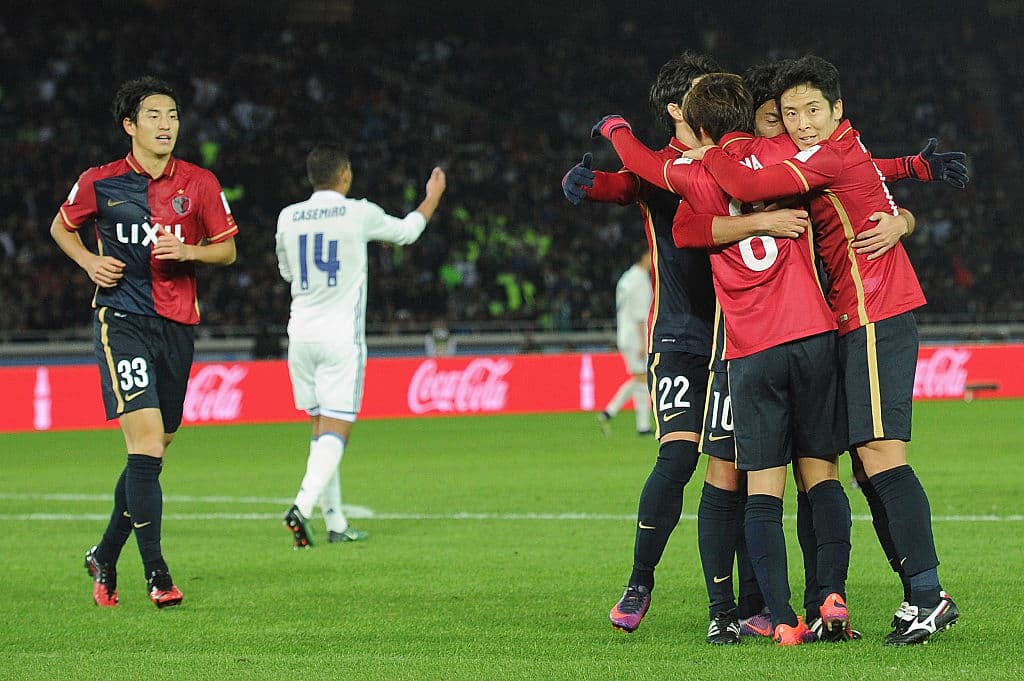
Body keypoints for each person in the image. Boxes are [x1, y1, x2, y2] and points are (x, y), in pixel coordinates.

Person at [687, 55, 961, 645]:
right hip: (846, 320)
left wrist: (705, 149)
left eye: (812, 110)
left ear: (837, 110)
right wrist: (911, 178)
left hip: (873, 310)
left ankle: (928, 595)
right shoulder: (833, 151)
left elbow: (749, 185)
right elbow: (869, 172)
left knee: (880, 455)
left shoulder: (826, 154)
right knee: (862, 465)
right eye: (790, 114)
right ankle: (909, 592)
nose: (802, 123)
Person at [597, 72, 855, 646]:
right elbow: (846, 162)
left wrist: (613, 128)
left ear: (698, 121)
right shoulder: (786, 156)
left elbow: (676, 214)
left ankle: (776, 615)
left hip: (749, 346)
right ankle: (825, 596)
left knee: (756, 486)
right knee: (818, 474)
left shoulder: (695, 175)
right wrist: (909, 179)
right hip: (812, 334)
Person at [562, 50, 808, 639]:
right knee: (677, 457)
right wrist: (588, 184)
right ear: (678, 108)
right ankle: (639, 581)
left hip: (736, 334)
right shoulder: (658, 169)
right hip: (677, 334)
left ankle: (745, 603)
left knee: (739, 469)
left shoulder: (736, 159)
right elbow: (622, 184)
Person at [50, 76, 239, 608]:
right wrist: (89, 261)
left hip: (177, 326)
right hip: (122, 320)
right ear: (129, 125)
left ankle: (104, 555)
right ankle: (157, 573)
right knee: (147, 445)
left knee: (153, 453)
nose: (166, 125)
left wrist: (190, 252)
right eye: (154, 115)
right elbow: (61, 227)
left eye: (173, 115)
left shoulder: (200, 182)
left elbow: (227, 250)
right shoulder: (100, 181)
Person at [277, 144, 446, 548]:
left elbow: (287, 273)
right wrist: (432, 197)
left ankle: (335, 523)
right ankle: (301, 506)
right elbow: (408, 232)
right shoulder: (358, 212)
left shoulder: (288, 216)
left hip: (300, 333)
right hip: (340, 337)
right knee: (337, 428)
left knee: (321, 428)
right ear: (345, 175)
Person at [597, 249, 654, 437]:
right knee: (643, 379)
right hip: (636, 336)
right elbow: (640, 314)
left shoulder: (626, 278)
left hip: (625, 333)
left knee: (640, 378)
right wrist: (643, 341)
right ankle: (640, 425)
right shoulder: (640, 281)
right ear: (644, 257)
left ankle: (610, 413)